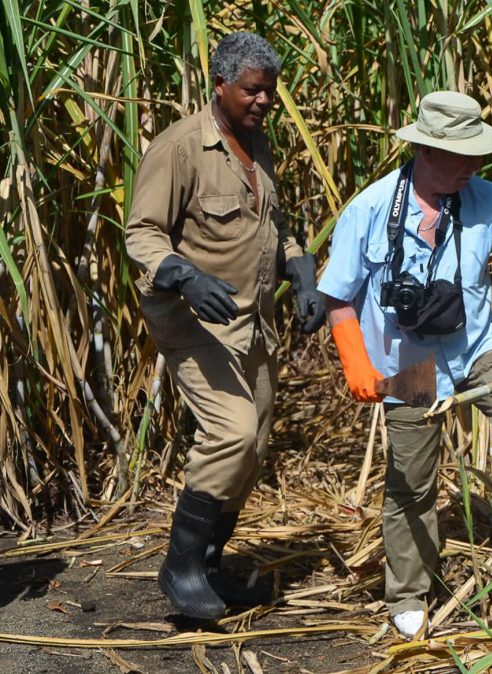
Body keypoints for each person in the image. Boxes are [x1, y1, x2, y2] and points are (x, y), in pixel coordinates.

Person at [317, 91, 492, 638]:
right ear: (424, 151)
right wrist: (354, 358)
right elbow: (338, 295)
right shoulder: (372, 208)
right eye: (461, 156)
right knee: (414, 480)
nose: (473, 166)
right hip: (410, 363)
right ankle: (408, 591)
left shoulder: (484, 198)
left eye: (477, 155)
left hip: (474, 345)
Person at [124, 32, 325, 620]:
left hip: (251, 320)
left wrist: (303, 276)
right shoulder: (182, 146)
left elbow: (275, 228)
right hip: (193, 320)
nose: (264, 102)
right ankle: (180, 567)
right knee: (232, 432)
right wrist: (185, 276)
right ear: (220, 85)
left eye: (270, 92)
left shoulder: (256, 145)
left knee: (254, 446)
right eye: (252, 91)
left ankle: (211, 564)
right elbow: (142, 233)